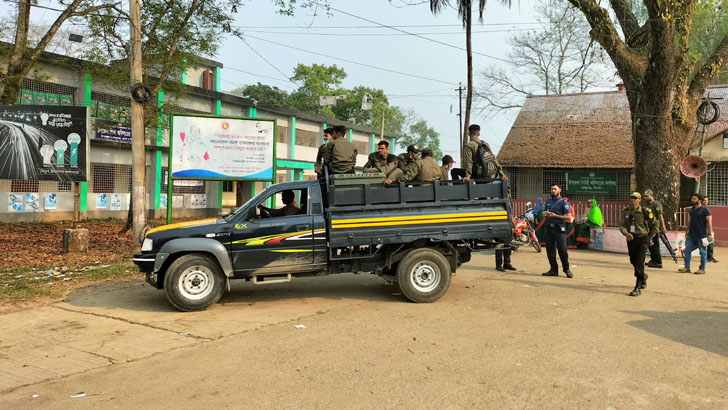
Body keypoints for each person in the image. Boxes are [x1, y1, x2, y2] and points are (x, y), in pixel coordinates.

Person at [619, 192, 658, 296]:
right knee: (633, 260)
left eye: (635, 198)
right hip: (631, 239)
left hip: (642, 238)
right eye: (632, 198)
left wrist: (650, 238)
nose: (633, 200)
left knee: (640, 261)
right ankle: (643, 276)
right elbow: (621, 225)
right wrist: (626, 234)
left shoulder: (646, 211)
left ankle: (637, 287)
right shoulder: (626, 211)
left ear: (640, 199)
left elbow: (655, 224)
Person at [541, 184, 574, 278]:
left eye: (555, 189)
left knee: (562, 249)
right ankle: (553, 270)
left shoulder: (564, 202)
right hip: (549, 228)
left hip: (559, 228)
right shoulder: (548, 201)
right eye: (551, 189)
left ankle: (566, 269)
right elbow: (546, 213)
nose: (552, 190)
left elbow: (568, 217)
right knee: (550, 250)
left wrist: (555, 216)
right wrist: (545, 214)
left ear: (560, 190)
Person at [679, 193, 714, 274]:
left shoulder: (705, 210)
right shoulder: (692, 210)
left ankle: (702, 269)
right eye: (692, 198)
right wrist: (687, 231)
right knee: (687, 250)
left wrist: (709, 234)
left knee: (703, 251)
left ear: (700, 201)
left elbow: (709, 223)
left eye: (694, 199)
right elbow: (690, 221)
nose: (692, 200)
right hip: (691, 235)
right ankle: (686, 267)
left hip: (702, 235)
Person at [642, 189, 666, 268]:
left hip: (654, 227)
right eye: (644, 196)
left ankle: (658, 262)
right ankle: (653, 260)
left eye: (647, 196)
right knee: (650, 244)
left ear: (651, 196)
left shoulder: (656, 204)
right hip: (648, 226)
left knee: (654, 244)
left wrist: (663, 226)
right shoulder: (646, 204)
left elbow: (660, 216)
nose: (645, 197)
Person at [496, 191, 517, 272]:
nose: (508, 194)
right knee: (499, 245)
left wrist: (514, 225)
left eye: (509, 192)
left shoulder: (509, 202)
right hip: (500, 225)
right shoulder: (498, 201)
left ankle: (507, 263)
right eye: (507, 192)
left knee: (508, 245)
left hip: (508, 225)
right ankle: (498, 264)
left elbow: (510, 215)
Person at [703, 196, 718, 263]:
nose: (706, 202)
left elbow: (709, 222)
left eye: (707, 200)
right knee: (707, 243)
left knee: (710, 243)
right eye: (704, 200)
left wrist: (710, 230)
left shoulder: (706, 209)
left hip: (707, 229)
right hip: (703, 230)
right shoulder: (701, 209)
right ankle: (709, 257)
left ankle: (710, 257)